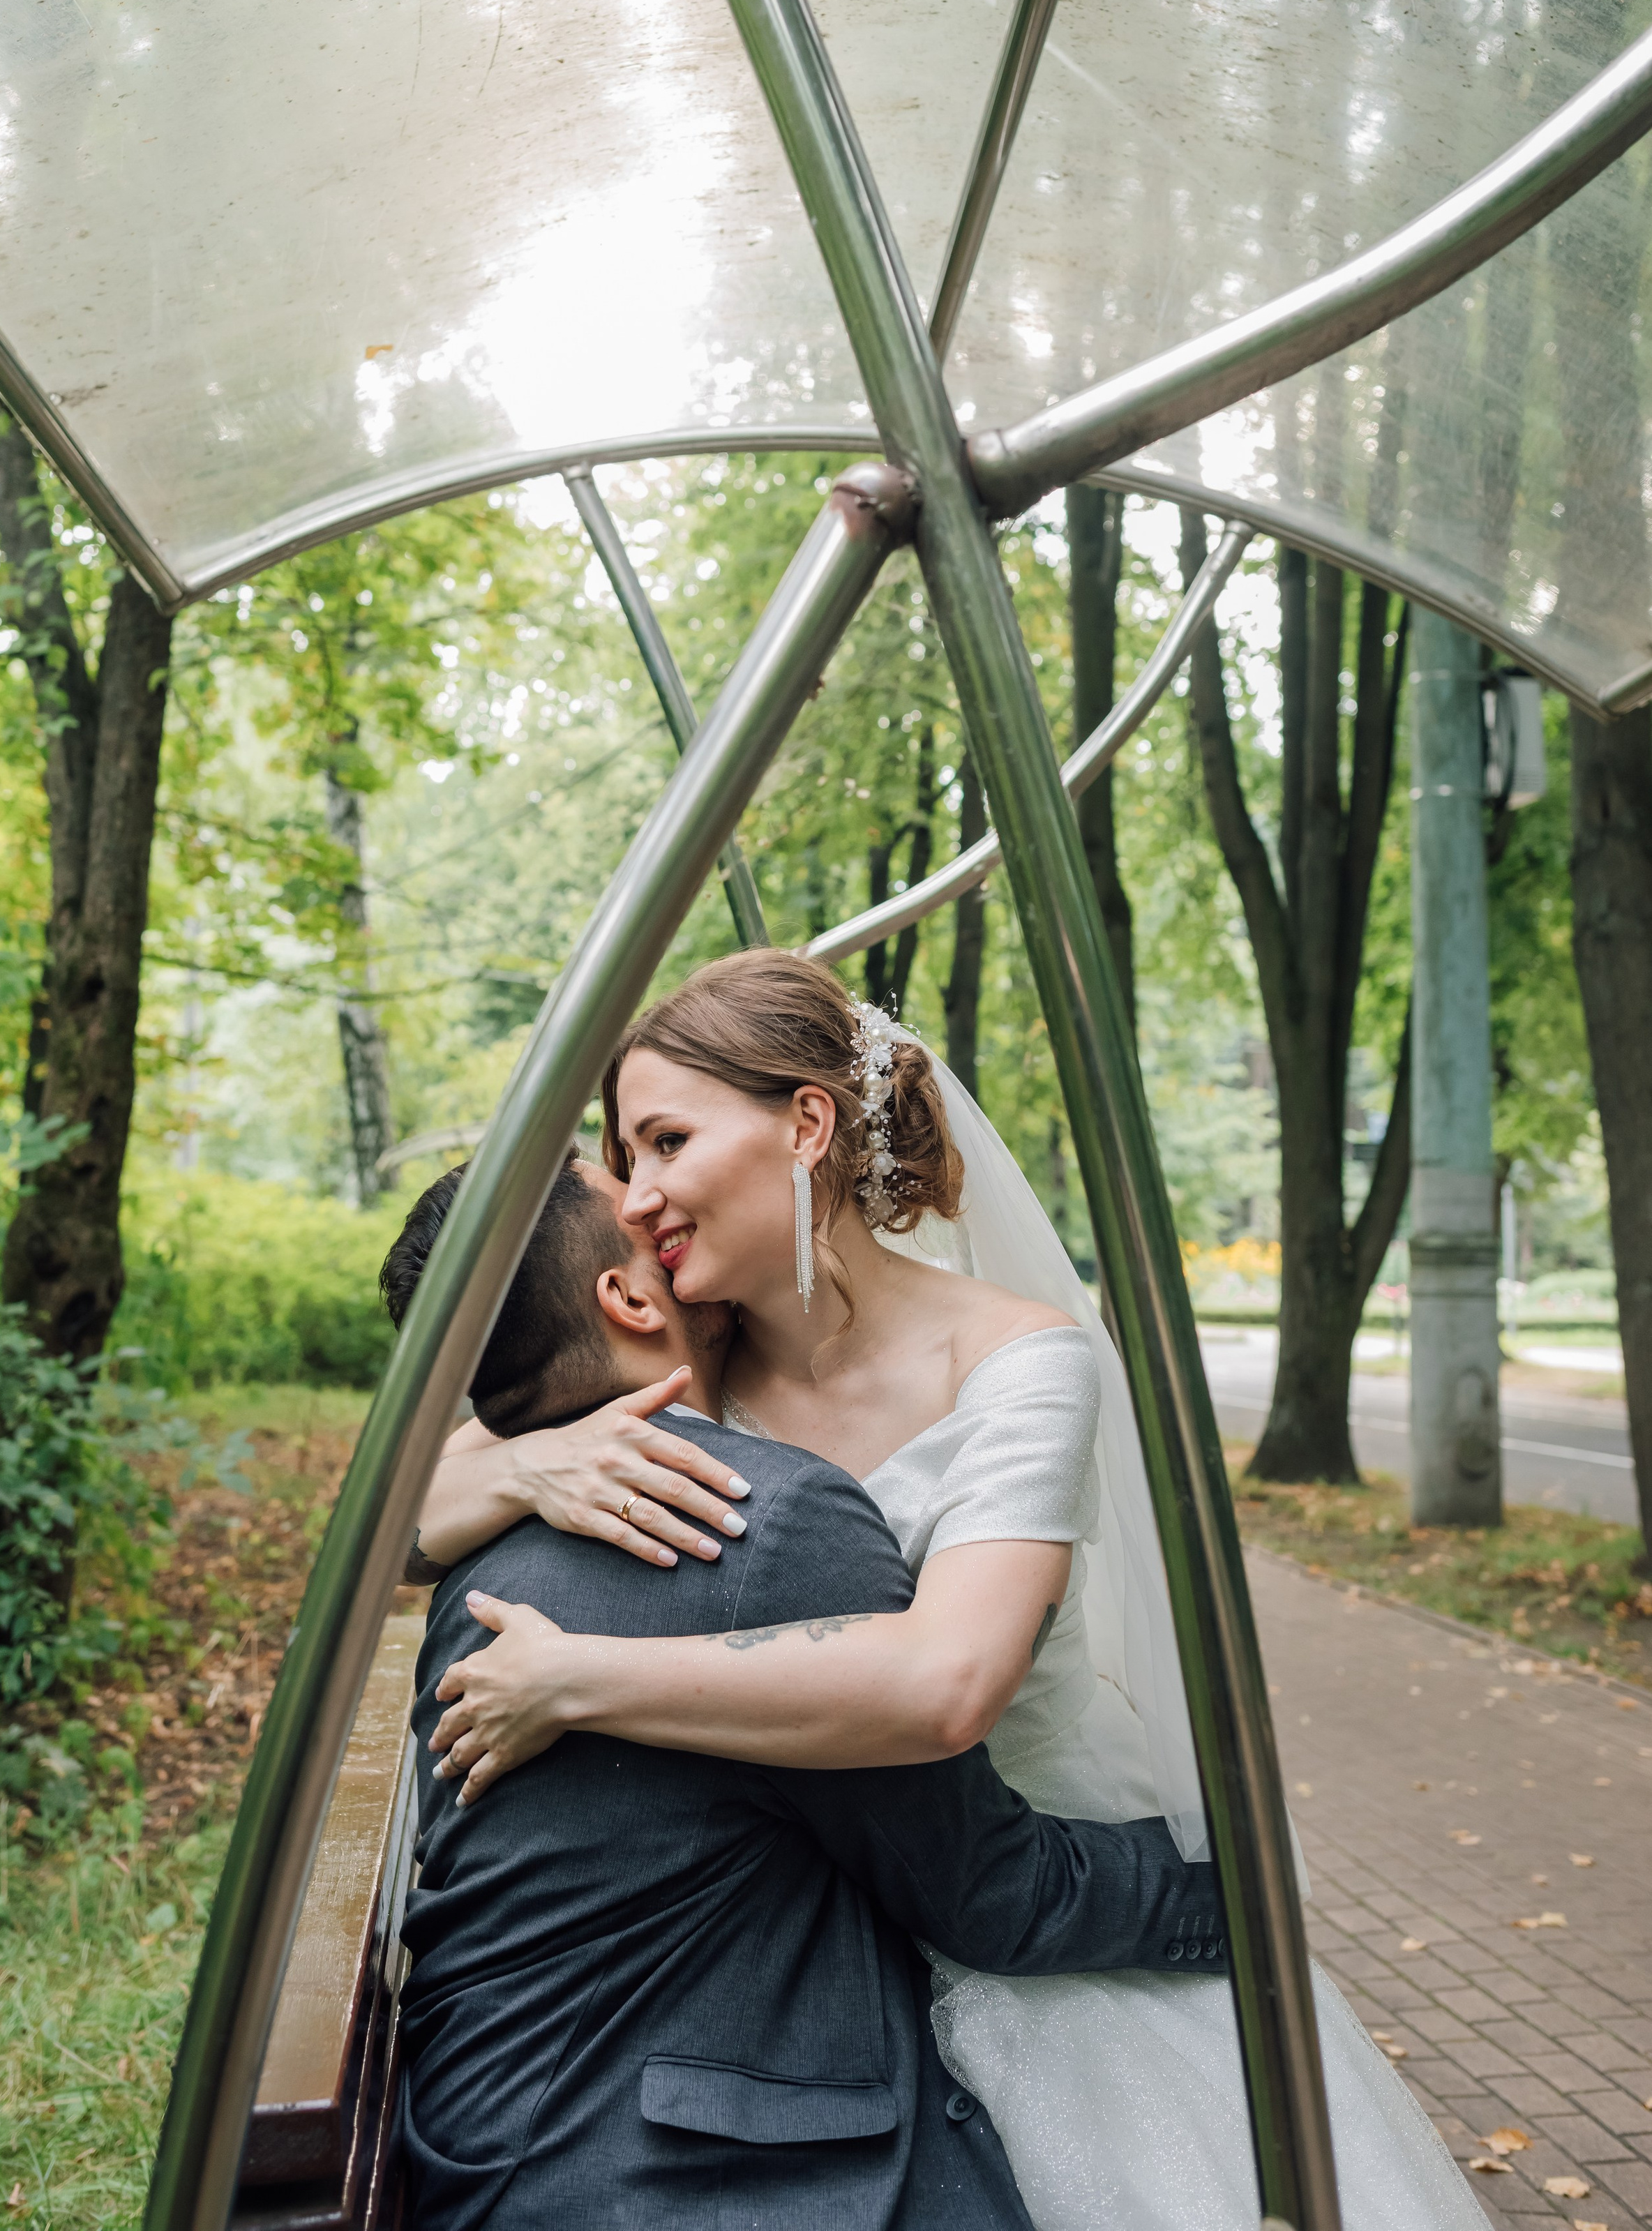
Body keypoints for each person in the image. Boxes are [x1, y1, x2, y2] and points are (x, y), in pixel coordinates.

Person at [418, 950, 1488, 2231]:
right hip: (833, 1920)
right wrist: (535, 1458)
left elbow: (951, 1682)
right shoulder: (684, 1364)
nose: (639, 1199)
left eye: (663, 1143)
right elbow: (405, 1511)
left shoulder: (1017, 1361)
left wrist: (587, 1680)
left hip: (1029, 1873)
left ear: (805, 1125)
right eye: (626, 1159)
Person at [382, 1150, 1230, 2231]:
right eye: (630, 1191)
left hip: (492, 2135)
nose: (655, 1201)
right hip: (693, 2179)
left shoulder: (480, 1544)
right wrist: (1228, 1891)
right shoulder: (762, 1523)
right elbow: (988, 1893)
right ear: (632, 1295)